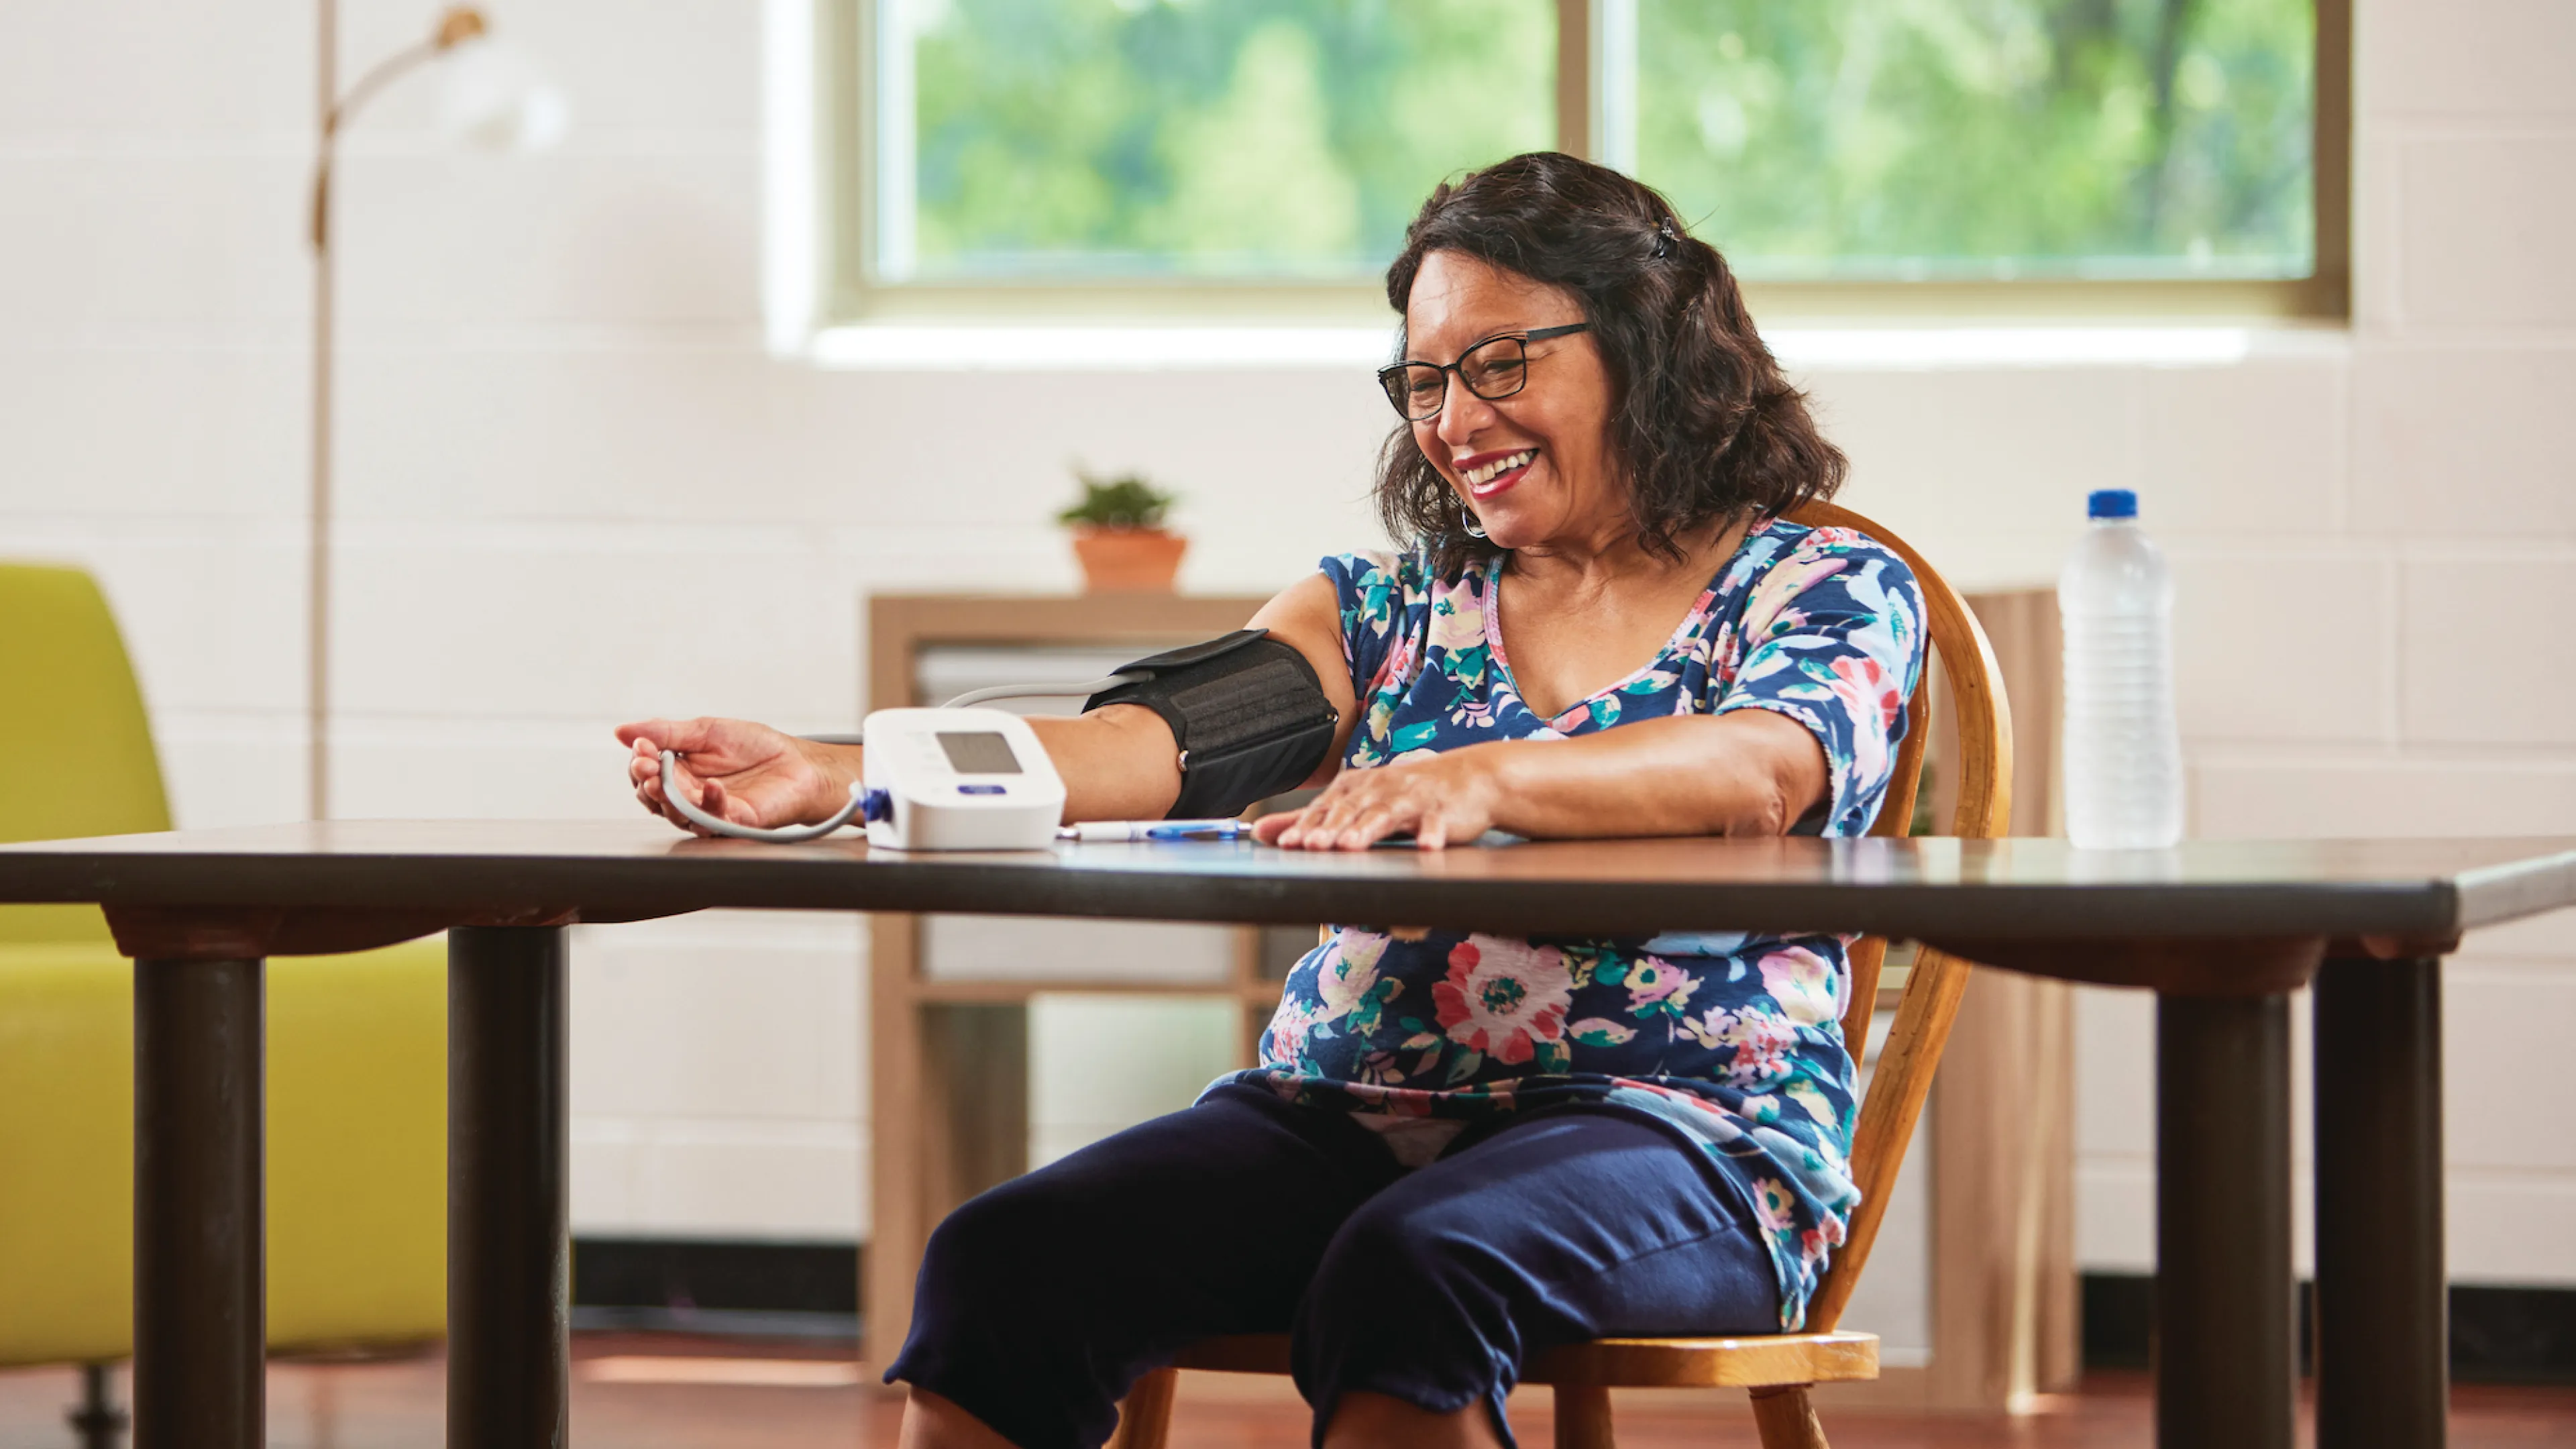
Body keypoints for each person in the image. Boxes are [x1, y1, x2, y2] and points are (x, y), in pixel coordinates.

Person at [619, 152, 1923, 1449]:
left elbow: (1766, 768)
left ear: (1648, 341)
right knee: (1007, 1259)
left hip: (1687, 1138)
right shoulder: (1384, 608)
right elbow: (1156, 743)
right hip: (1342, 1116)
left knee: (1417, 1270)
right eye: (1424, 379)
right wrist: (846, 773)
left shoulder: (1818, 581)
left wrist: (1473, 777)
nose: (1455, 422)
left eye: (1499, 364)